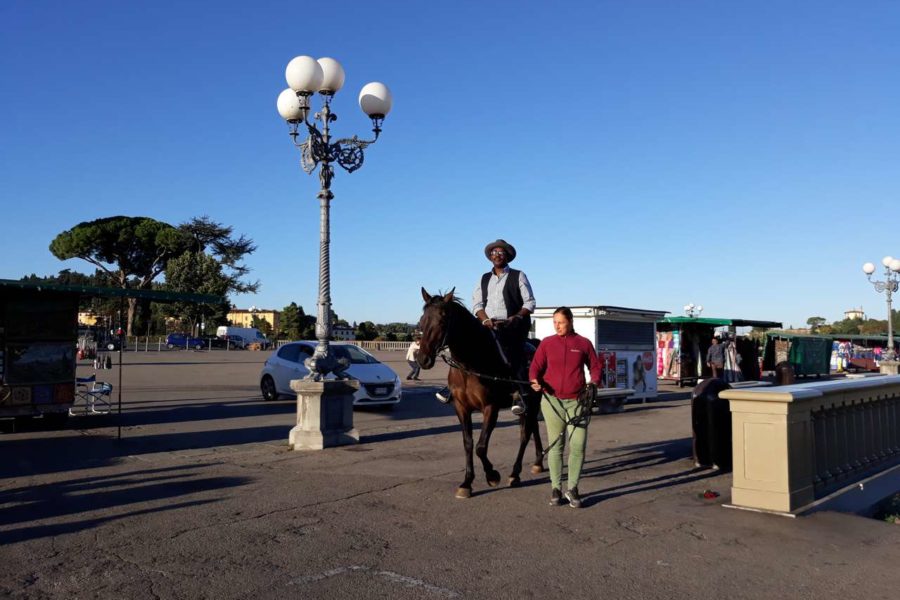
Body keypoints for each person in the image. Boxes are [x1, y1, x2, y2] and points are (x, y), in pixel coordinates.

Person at [437, 239, 536, 416]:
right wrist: (484, 320)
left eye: (501, 253)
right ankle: (453, 388)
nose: (497, 255)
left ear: (507, 256)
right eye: (494, 253)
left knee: (513, 352)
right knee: (465, 349)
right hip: (488, 325)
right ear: (490, 257)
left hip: (511, 326)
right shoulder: (483, 279)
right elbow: (477, 305)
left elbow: (529, 302)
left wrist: (516, 317)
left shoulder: (518, 276)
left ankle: (518, 392)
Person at [529, 306, 601, 508]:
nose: (557, 326)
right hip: (552, 402)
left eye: (560, 322)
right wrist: (534, 379)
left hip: (578, 402)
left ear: (570, 321)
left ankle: (573, 488)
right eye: (555, 322)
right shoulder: (547, 343)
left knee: (577, 445)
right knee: (556, 446)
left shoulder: (583, 344)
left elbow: (595, 367)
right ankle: (555, 488)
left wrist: (594, 382)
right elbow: (535, 366)